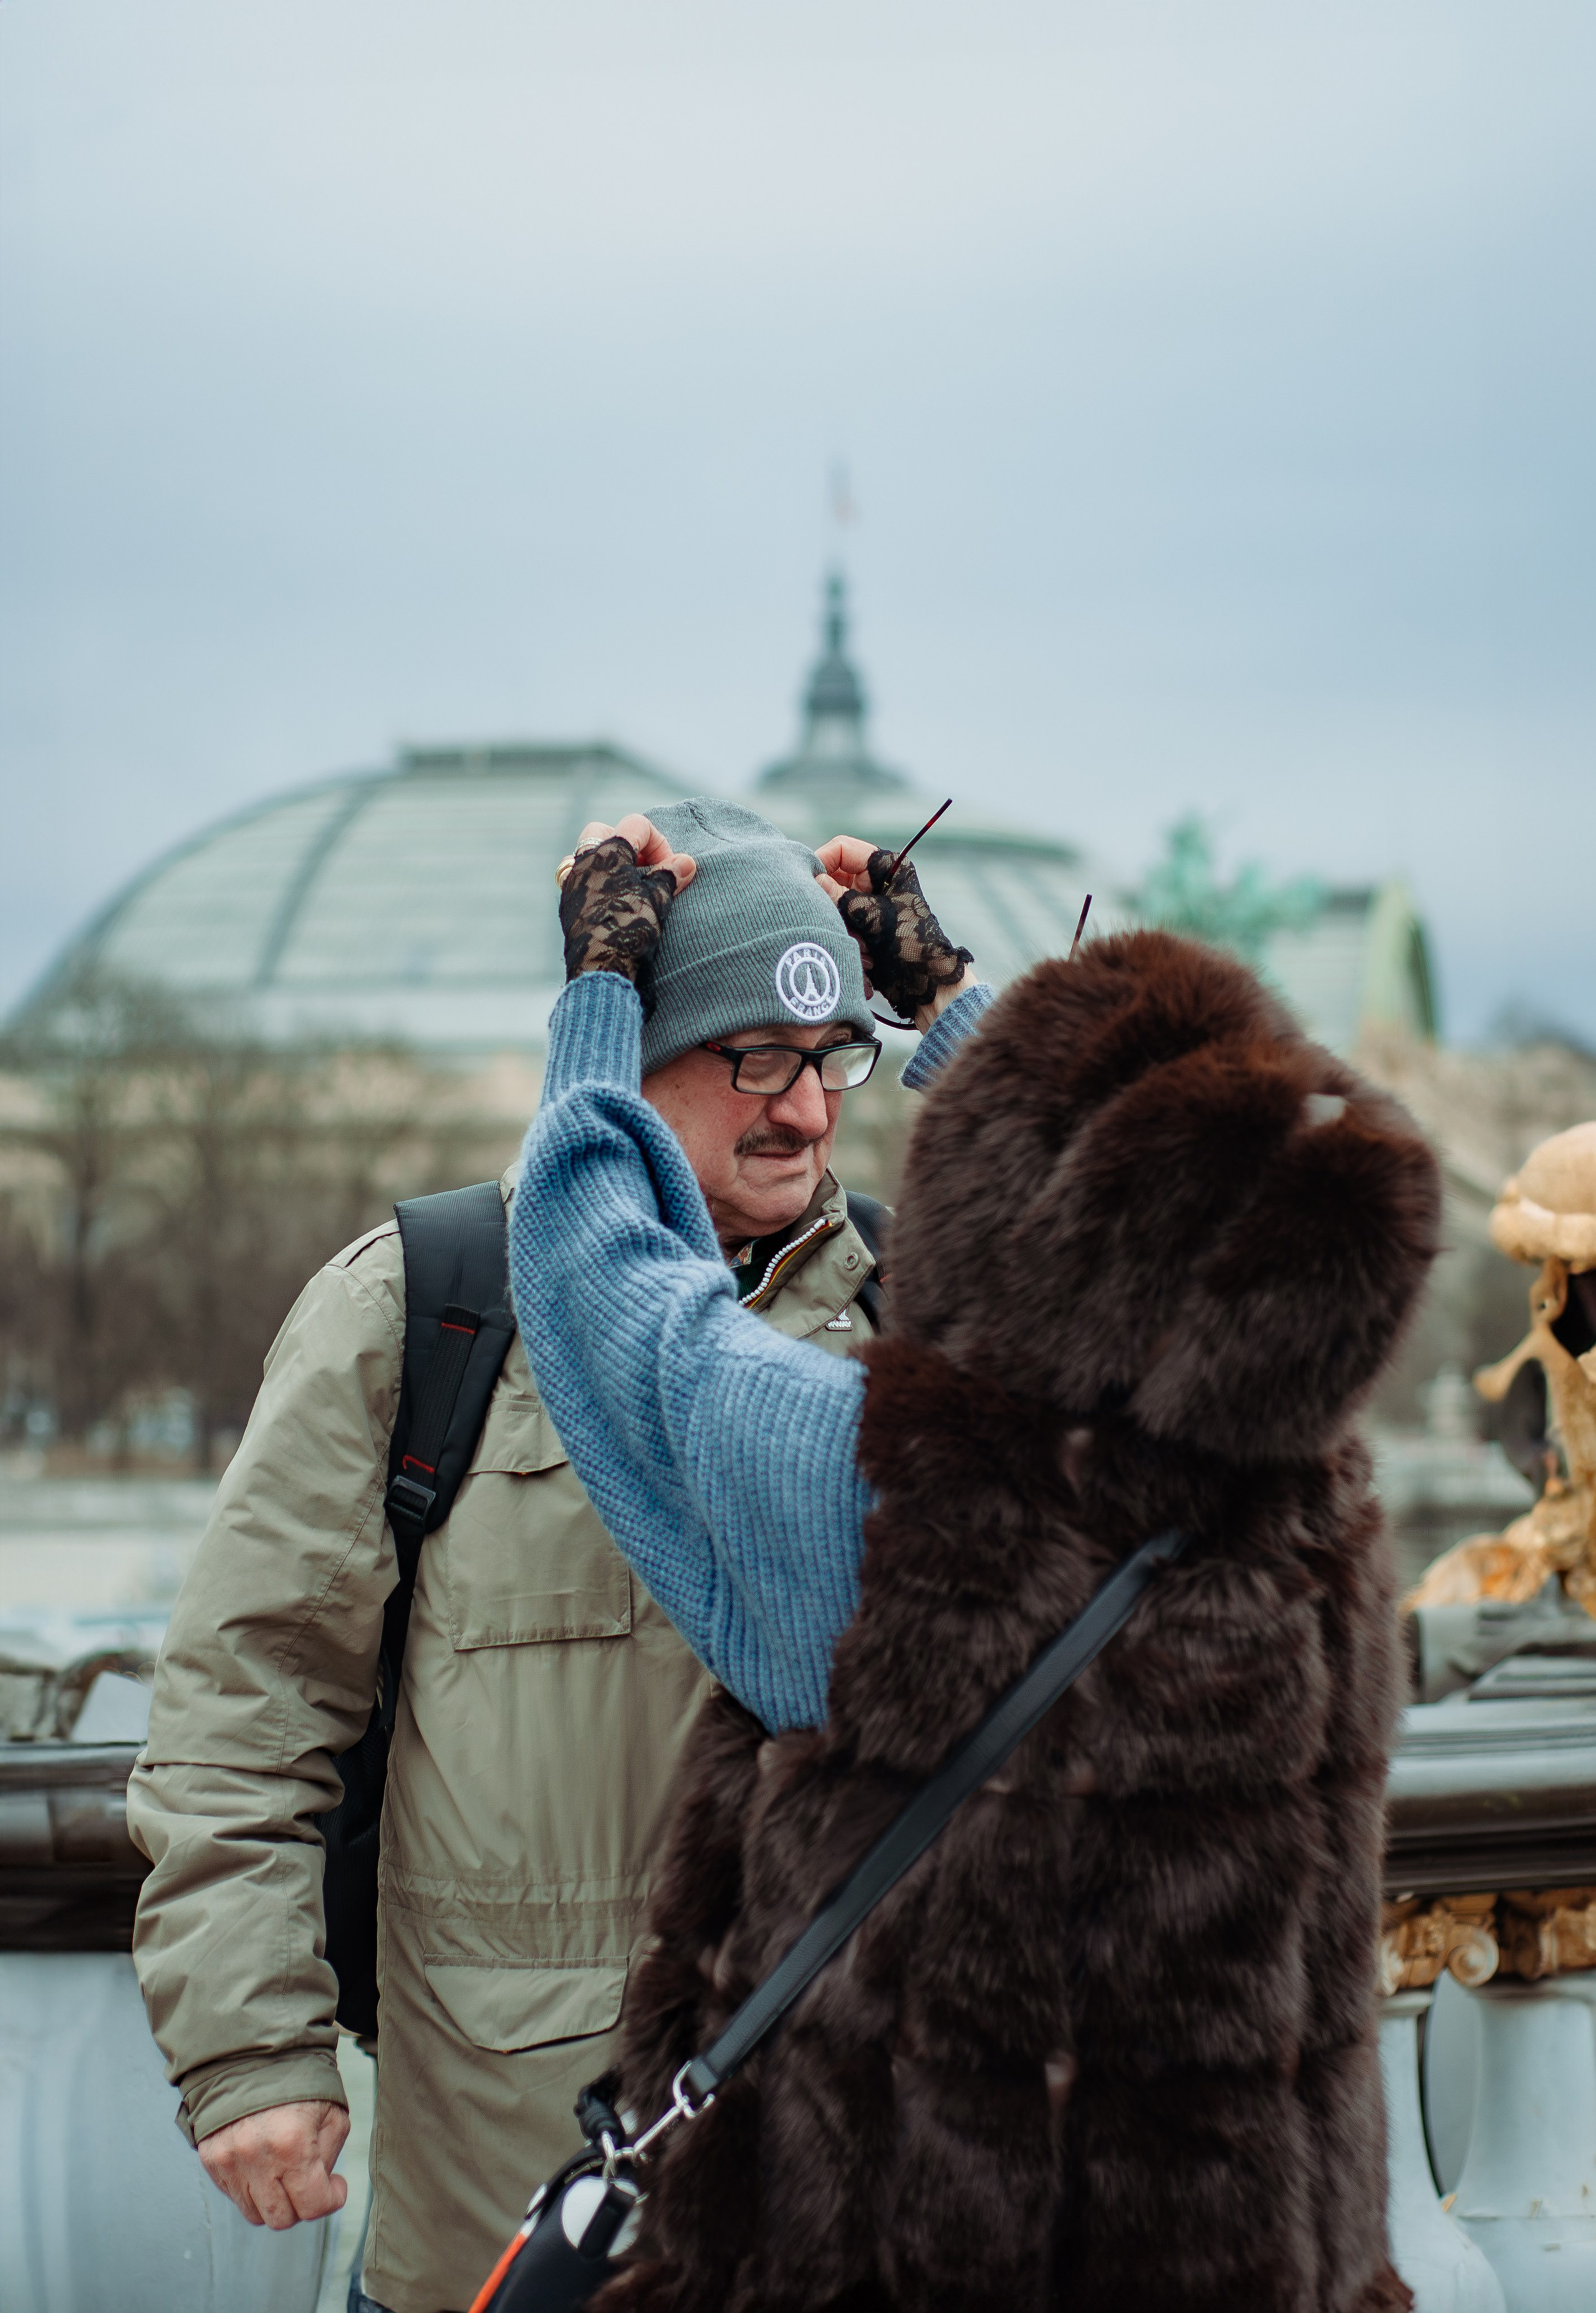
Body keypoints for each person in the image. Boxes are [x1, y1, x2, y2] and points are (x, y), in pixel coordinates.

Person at [509, 830, 1440, 2313]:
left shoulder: (907, 1498)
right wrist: (940, 993)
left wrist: (600, 996)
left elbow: (598, 1278)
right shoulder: (1311, 1513)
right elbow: (1151, 1217)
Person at [126, 797, 974, 2313]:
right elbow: (242, 1713)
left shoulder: (938, 1317)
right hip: (520, 2220)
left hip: (873, 2210)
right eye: (749, 1060)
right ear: (626, 1067)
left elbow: (1174, 1318)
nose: (805, 1111)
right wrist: (253, 2047)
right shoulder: (422, 1306)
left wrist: (951, 1006)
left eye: (831, 1057)